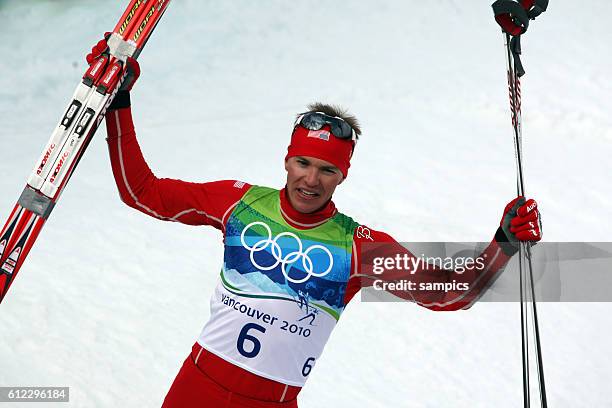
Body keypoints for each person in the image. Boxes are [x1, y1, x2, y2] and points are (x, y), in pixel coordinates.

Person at [89, 38, 542, 407]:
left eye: (327, 169)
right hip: (195, 389)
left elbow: (451, 294)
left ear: (343, 175)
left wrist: (502, 240)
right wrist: (120, 101)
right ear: (286, 161)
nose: (311, 179)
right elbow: (142, 193)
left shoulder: (357, 247)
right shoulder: (238, 203)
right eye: (303, 162)